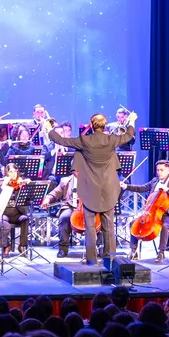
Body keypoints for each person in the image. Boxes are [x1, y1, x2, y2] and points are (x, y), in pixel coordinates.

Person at [45, 110, 137, 266]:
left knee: (90, 227)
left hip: (89, 189)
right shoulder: (111, 140)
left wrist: (49, 128)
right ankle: (110, 260)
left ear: (91, 125)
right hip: (108, 188)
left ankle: (92, 260)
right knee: (108, 226)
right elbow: (129, 136)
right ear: (105, 125)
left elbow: (60, 140)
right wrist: (132, 121)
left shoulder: (84, 140)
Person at [121, 160, 169, 263]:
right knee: (133, 222)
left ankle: (161, 252)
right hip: (152, 212)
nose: (159, 172)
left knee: (165, 226)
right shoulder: (154, 181)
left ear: (168, 171)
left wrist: (168, 190)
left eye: (162, 170)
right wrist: (127, 186)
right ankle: (133, 251)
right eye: (157, 170)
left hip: (168, 214)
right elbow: (142, 188)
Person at [41, 170, 81, 258]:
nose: (78, 171)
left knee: (98, 218)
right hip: (70, 207)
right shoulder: (65, 181)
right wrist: (48, 199)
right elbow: (55, 192)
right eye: (76, 169)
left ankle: (99, 247)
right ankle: (63, 248)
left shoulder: (91, 179)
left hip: (86, 208)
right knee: (64, 218)